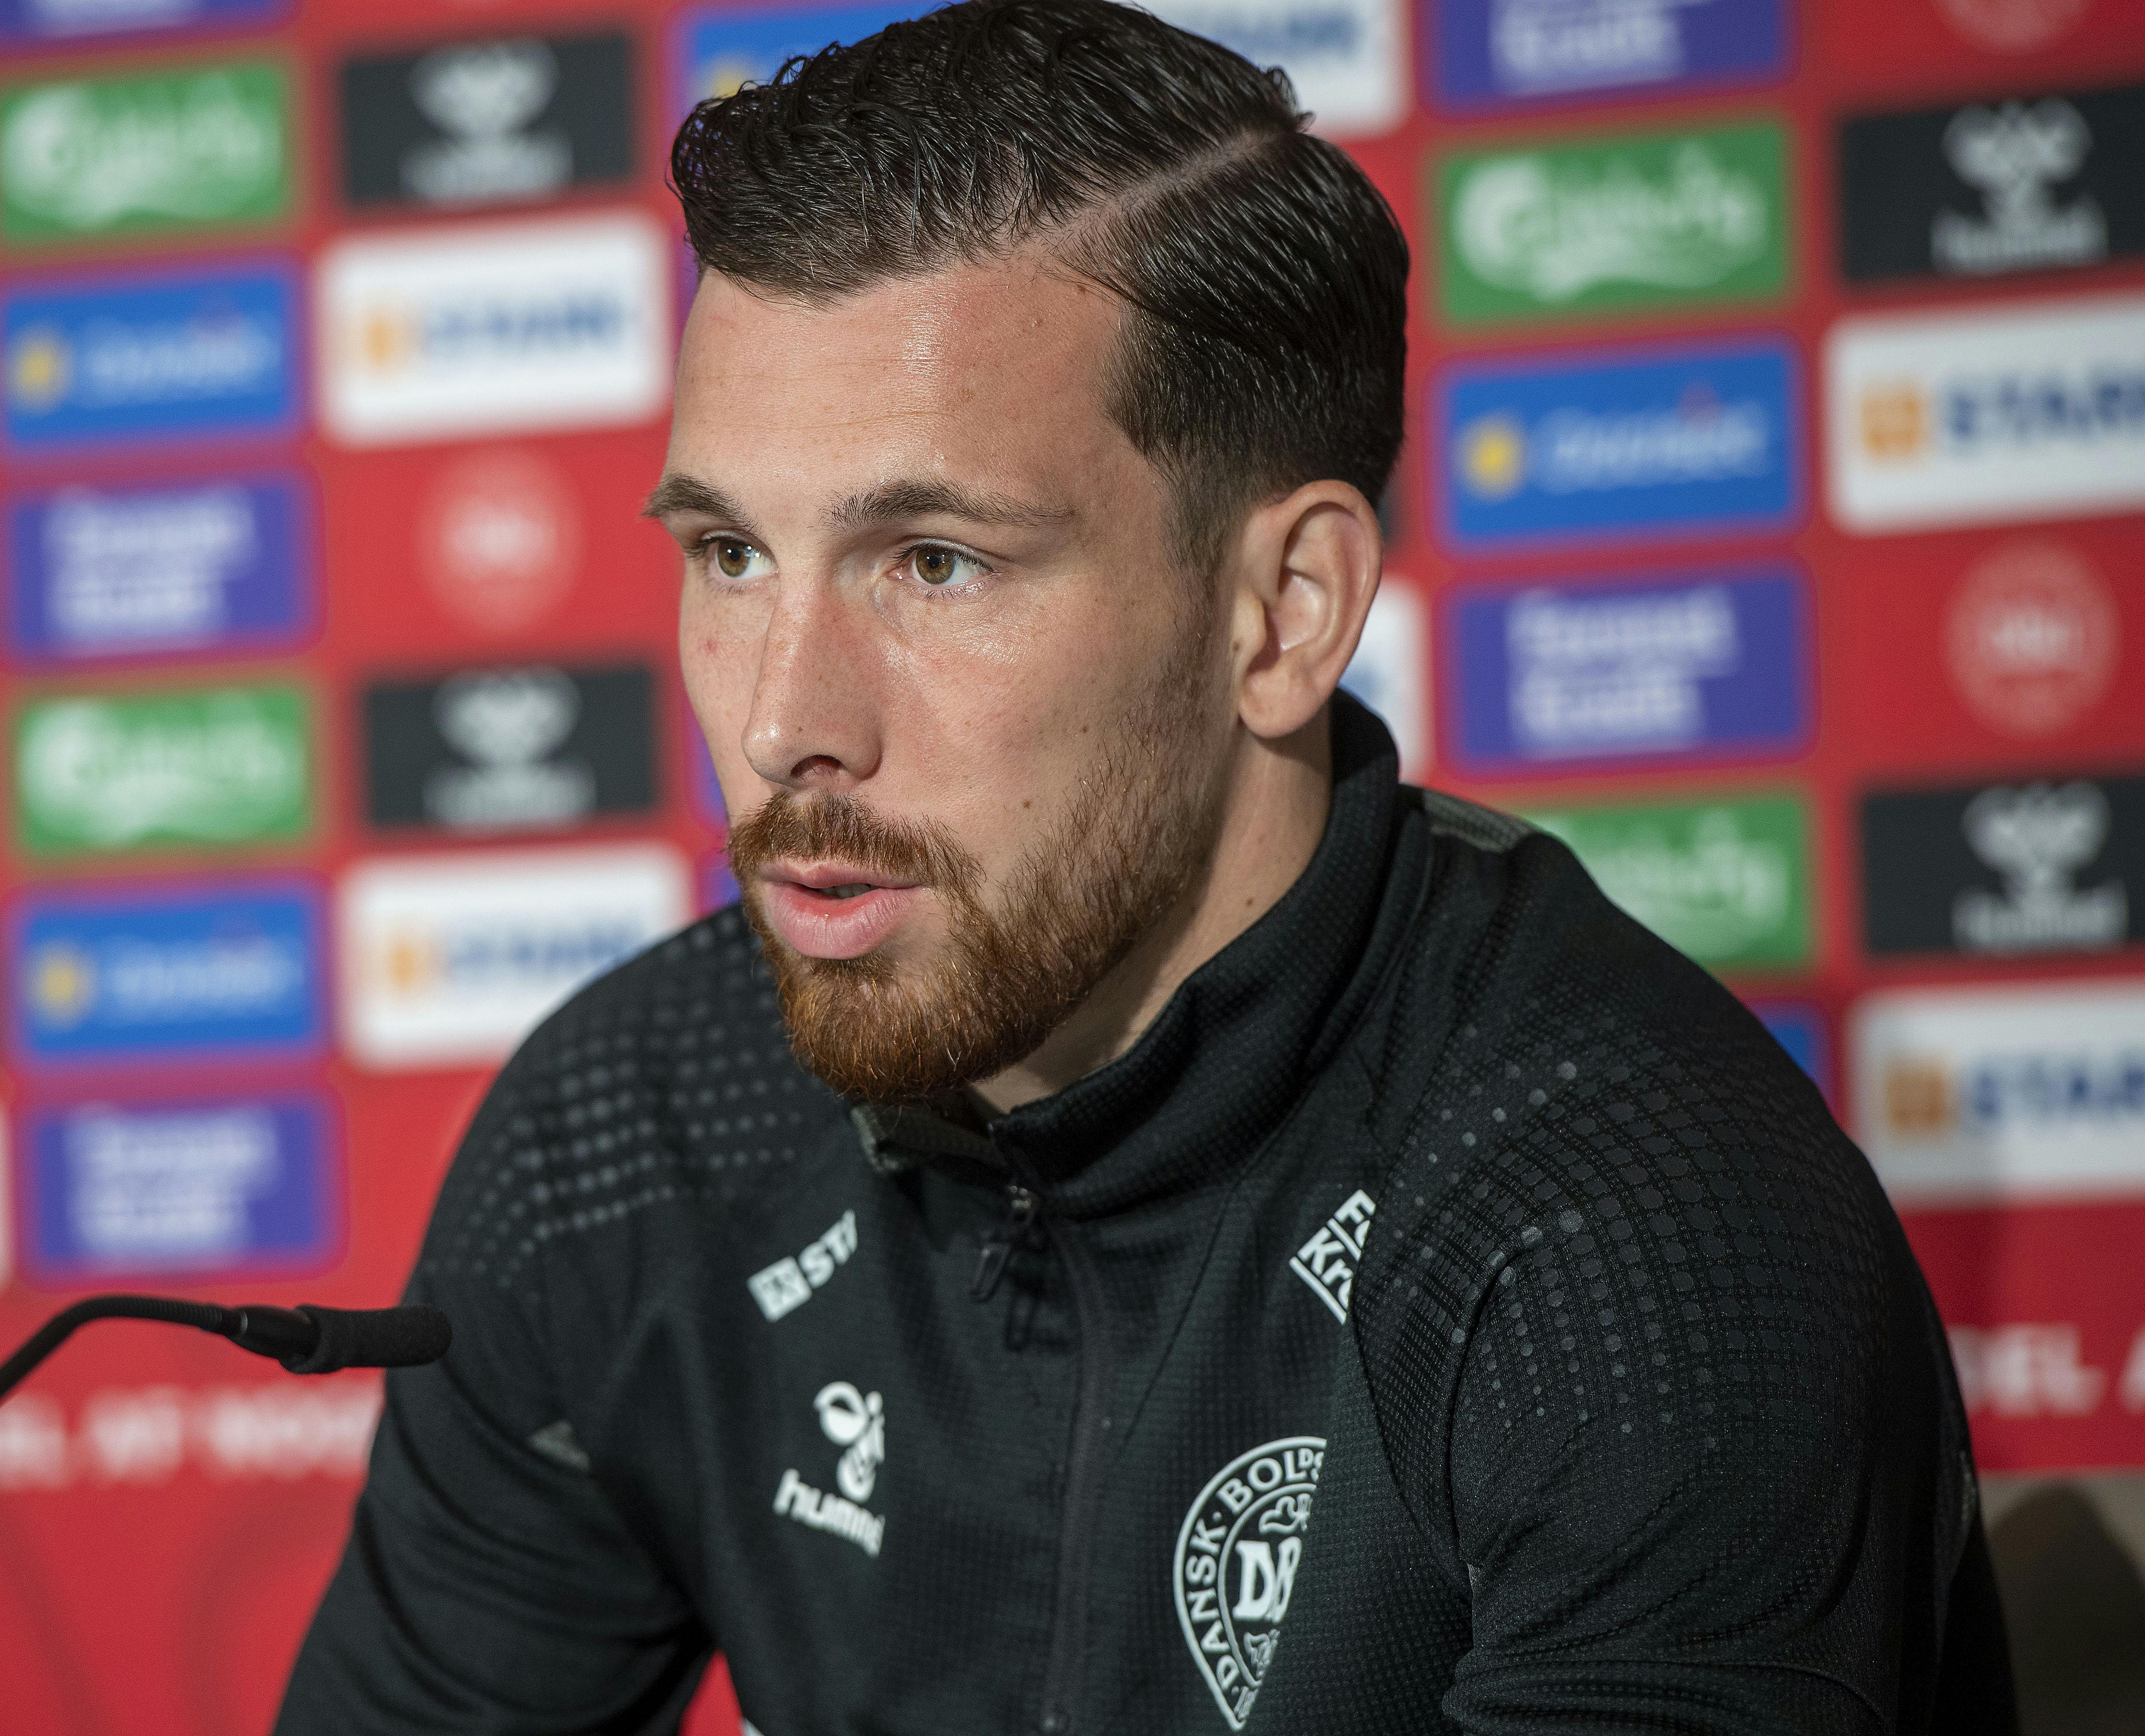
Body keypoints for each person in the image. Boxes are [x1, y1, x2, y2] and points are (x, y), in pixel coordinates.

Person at [277, 1, 2014, 1729]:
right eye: (731, 551)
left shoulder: (1636, 1249)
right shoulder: (634, 1131)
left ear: (1284, 611)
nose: (781, 721)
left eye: (935, 563)